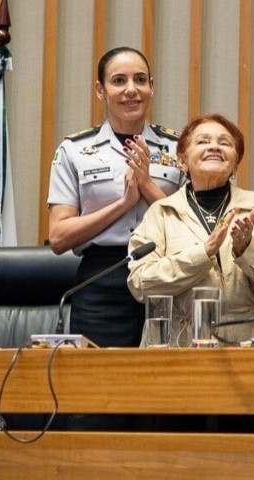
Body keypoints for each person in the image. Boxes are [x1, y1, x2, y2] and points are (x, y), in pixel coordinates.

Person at [47, 46, 183, 431]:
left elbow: (193, 225)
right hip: (103, 278)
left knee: (162, 402)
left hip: (169, 277)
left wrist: (147, 189)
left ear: (152, 87)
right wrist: (123, 203)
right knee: (95, 402)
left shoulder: (180, 147)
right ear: (100, 90)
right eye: (119, 80)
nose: (131, 89)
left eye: (140, 80)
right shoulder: (74, 150)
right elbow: (59, 237)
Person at [127, 113, 254, 348]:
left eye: (225, 143)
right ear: (182, 161)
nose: (214, 146)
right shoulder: (161, 212)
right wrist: (203, 253)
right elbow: (141, 284)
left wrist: (247, 251)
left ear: (235, 164)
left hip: (248, 349)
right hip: (177, 350)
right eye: (202, 141)